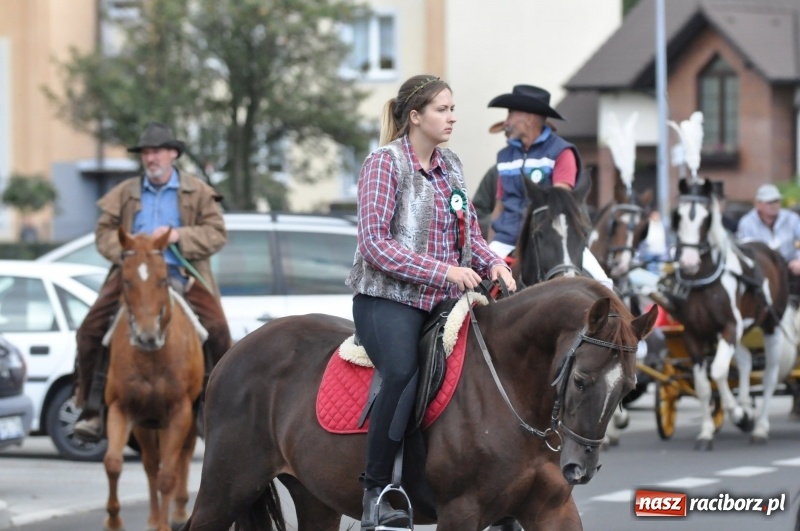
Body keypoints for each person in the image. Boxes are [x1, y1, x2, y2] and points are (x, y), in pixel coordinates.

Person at [345, 75, 515, 530]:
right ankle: (377, 490)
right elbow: (375, 244)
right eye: (443, 109)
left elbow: (471, 236)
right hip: (388, 299)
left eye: (454, 108)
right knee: (402, 371)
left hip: (445, 299)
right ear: (415, 116)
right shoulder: (385, 164)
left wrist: (492, 263)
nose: (453, 117)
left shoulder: (452, 165)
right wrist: (444, 271)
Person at [73, 121, 233, 441]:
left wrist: (178, 235)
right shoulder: (124, 193)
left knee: (218, 331)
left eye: (157, 151)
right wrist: (128, 251)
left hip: (180, 274)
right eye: (146, 153)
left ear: (173, 153)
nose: (151, 159)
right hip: (132, 275)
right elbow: (103, 234)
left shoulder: (198, 191)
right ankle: (90, 408)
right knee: (90, 329)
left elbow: (217, 234)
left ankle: (216, 410)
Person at [486, 84, 611, 288]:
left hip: (551, 239)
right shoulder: (504, 156)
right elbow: (499, 206)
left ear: (528, 118)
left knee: (604, 285)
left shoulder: (562, 152)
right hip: (506, 237)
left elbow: (561, 206)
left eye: (510, 114)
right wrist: (488, 247)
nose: (506, 122)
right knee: (475, 288)